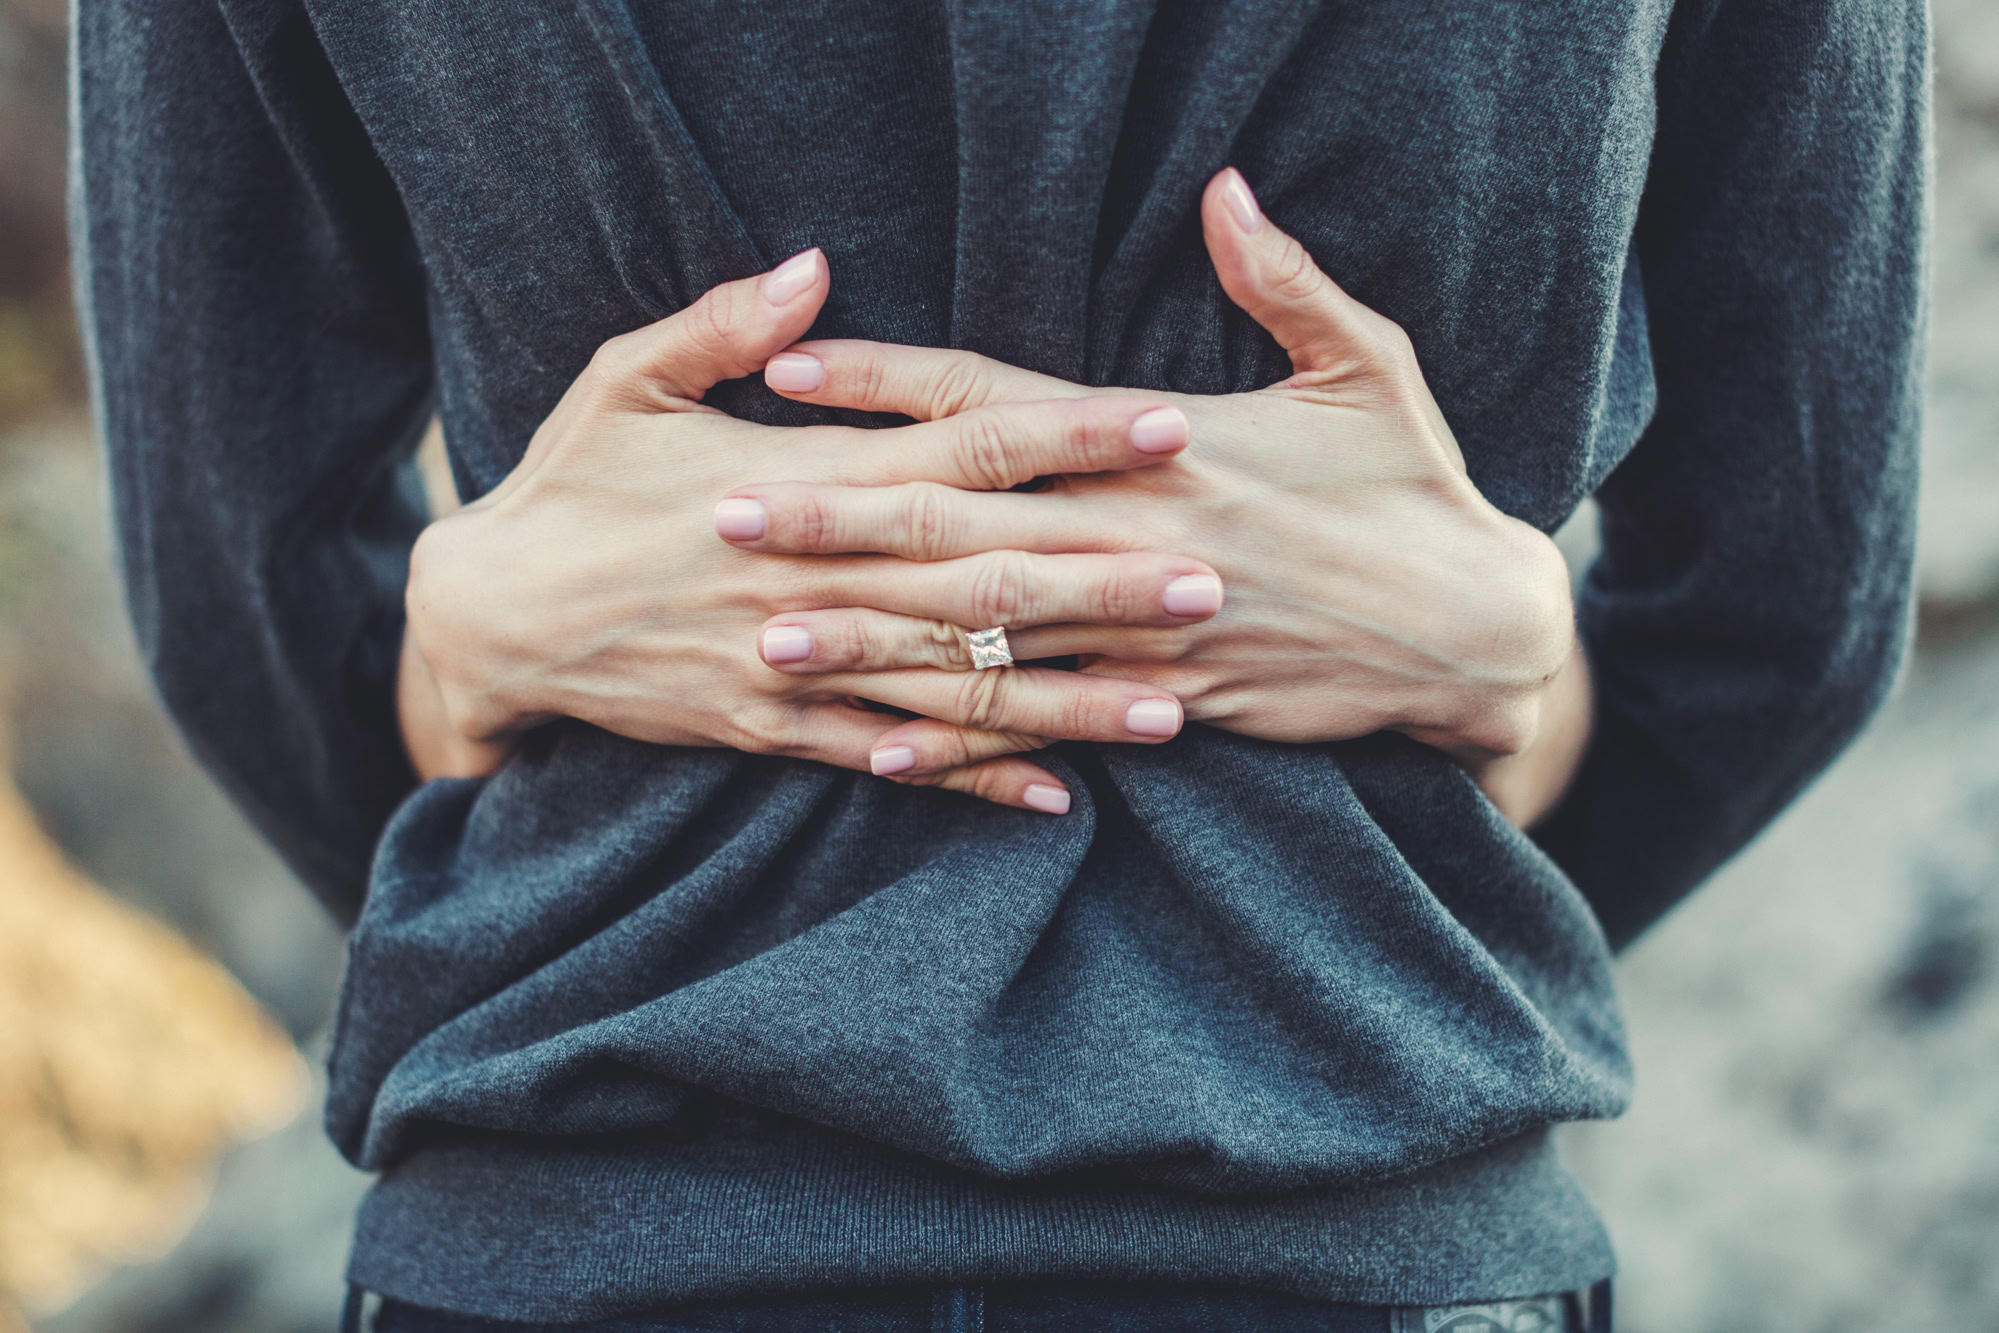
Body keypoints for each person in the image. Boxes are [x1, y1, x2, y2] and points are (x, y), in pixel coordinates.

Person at [73, 0, 1928, 1329]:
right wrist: (1386, 848)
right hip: (1354, 1225)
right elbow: (1783, 616)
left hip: (579, 1226)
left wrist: (510, 722)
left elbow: (244, 606)